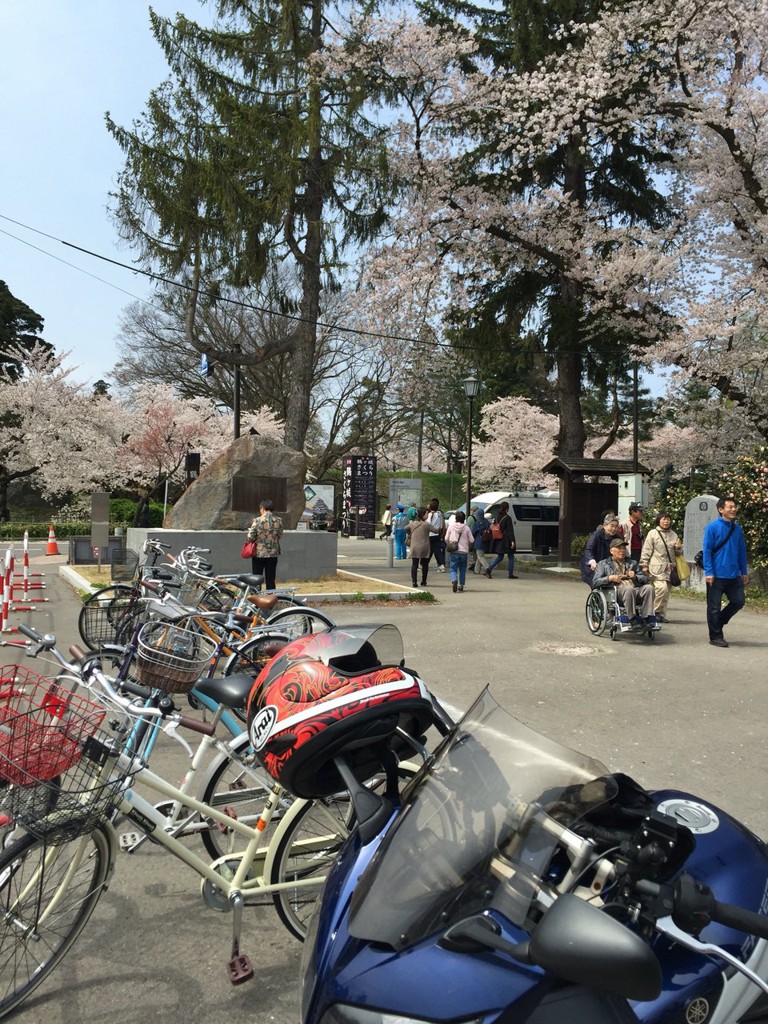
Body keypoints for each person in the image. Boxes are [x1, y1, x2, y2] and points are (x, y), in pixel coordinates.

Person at [702, 496, 749, 648]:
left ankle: (719, 621)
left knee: (739, 601)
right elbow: (707, 551)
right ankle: (715, 636)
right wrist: (709, 571)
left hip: (734, 574)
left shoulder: (737, 529)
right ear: (721, 510)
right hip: (716, 575)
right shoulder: (712, 527)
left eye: (734, 506)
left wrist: (744, 571)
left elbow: (742, 551)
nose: (733, 509)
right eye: (730, 507)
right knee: (714, 606)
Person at [592, 536, 657, 627]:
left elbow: (645, 579)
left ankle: (647, 618)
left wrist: (635, 576)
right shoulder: (603, 564)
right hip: (616, 592)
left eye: (624, 548)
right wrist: (609, 578)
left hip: (635, 589)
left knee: (649, 588)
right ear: (611, 551)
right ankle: (632, 618)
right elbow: (595, 582)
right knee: (629, 589)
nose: (622, 550)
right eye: (619, 548)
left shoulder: (632, 563)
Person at [639, 512, 682, 622]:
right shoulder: (653, 533)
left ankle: (661, 614)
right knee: (661, 589)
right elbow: (647, 550)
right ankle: (654, 612)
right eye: (663, 519)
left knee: (666, 591)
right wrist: (644, 564)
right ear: (659, 520)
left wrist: (678, 548)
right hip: (656, 567)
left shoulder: (674, 534)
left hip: (670, 568)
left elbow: (678, 553)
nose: (666, 521)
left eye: (668, 519)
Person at [246, 498, 284, 591]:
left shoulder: (258, 520)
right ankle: (270, 600)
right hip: (273, 554)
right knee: (271, 579)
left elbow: (251, 537)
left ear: (262, 508)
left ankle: (257, 600)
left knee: (256, 579)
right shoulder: (278, 520)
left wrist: (249, 533)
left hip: (259, 554)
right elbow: (280, 535)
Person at [580, 515, 622, 584]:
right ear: (605, 526)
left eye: (616, 526)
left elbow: (621, 550)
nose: (614, 529)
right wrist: (592, 561)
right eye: (611, 526)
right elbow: (589, 550)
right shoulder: (596, 535)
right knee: (597, 583)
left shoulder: (617, 537)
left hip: (608, 565)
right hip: (594, 564)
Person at [406, 506, 440, 587]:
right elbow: (436, 530)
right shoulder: (426, 525)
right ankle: (423, 581)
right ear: (423, 515)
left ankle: (414, 582)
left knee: (414, 564)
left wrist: (411, 534)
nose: (427, 515)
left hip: (414, 546)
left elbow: (406, 528)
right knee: (425, 564)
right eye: (426, 513)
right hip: (424, 546)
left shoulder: (413, 523)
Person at [484, 500, 517, 580]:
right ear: (507, 509)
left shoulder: (497, 517)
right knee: (511, 556)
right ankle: (510, 574)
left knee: (500, 556)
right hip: (507, 539)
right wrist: (512, 541)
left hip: (499, 538)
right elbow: (510, 530)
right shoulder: (507, 518)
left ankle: (489, 569)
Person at [444, 510, 474, 592]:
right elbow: (472, 540)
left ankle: (454, 579)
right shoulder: (466, 528)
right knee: (462, 569)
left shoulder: (451, 526)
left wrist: (449, 543)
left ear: (456, 518)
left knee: (453, 568)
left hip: (454, 551)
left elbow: (446, 538)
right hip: (464, 552)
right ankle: (461, 585)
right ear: (464, 519)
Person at [426, 498, 446, 572]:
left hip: (429, 535)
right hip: (437, 534)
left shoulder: (429, 515)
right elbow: (441, 525)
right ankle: (441, 565)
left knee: (430, 550)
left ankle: (424, 564)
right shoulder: (440, 514)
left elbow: (427, 525)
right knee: (436, 550)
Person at [471, 510, 491, 576]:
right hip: (486, 541)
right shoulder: (487, 522)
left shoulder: (476, 523)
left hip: (478, 541)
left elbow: (472, 532)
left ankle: (488, 568)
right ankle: (476, 570)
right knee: (480, 555)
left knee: (480, 556)